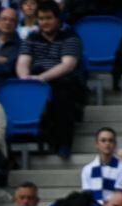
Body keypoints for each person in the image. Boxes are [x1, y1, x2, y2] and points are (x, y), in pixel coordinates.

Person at [15, 1, 83, 158]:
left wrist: (40, 79)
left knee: (62, 96)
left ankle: (64, 144)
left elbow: (68, 65)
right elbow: (22, 62)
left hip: (62, 81)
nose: (44, 22)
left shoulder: (70, 37)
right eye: (41, 18)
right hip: (35, 81)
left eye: (48, 18)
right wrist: (25, 79)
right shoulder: (32, 37)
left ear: (58, 19)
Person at [81, 128, 122, 205]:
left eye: (110, 140)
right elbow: (87, 195)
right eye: (103, 140)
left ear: (115, 144)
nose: (107, 143)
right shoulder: (87, 169)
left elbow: (120, 194)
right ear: (96, 144)